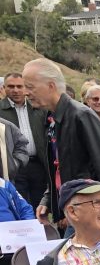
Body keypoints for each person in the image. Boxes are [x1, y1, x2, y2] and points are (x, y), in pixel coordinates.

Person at [22, 59, 100, 227]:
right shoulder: (52, 119)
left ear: (51, 85)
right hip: (73, 207)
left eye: (30, 87)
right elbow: (60, 168)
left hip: (90, 208)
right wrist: (49, 199)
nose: (26, 92)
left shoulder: (81, 116)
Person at [0, 72, 48, 207]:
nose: (15, 90)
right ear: (4, 88)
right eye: (11, 86)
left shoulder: (39, 108)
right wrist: (14, 163)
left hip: (38, 165)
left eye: (19, 86)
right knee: (20, 205)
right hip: (15, 167)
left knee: (41, 205)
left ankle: (41, 228)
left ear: (26, 87)